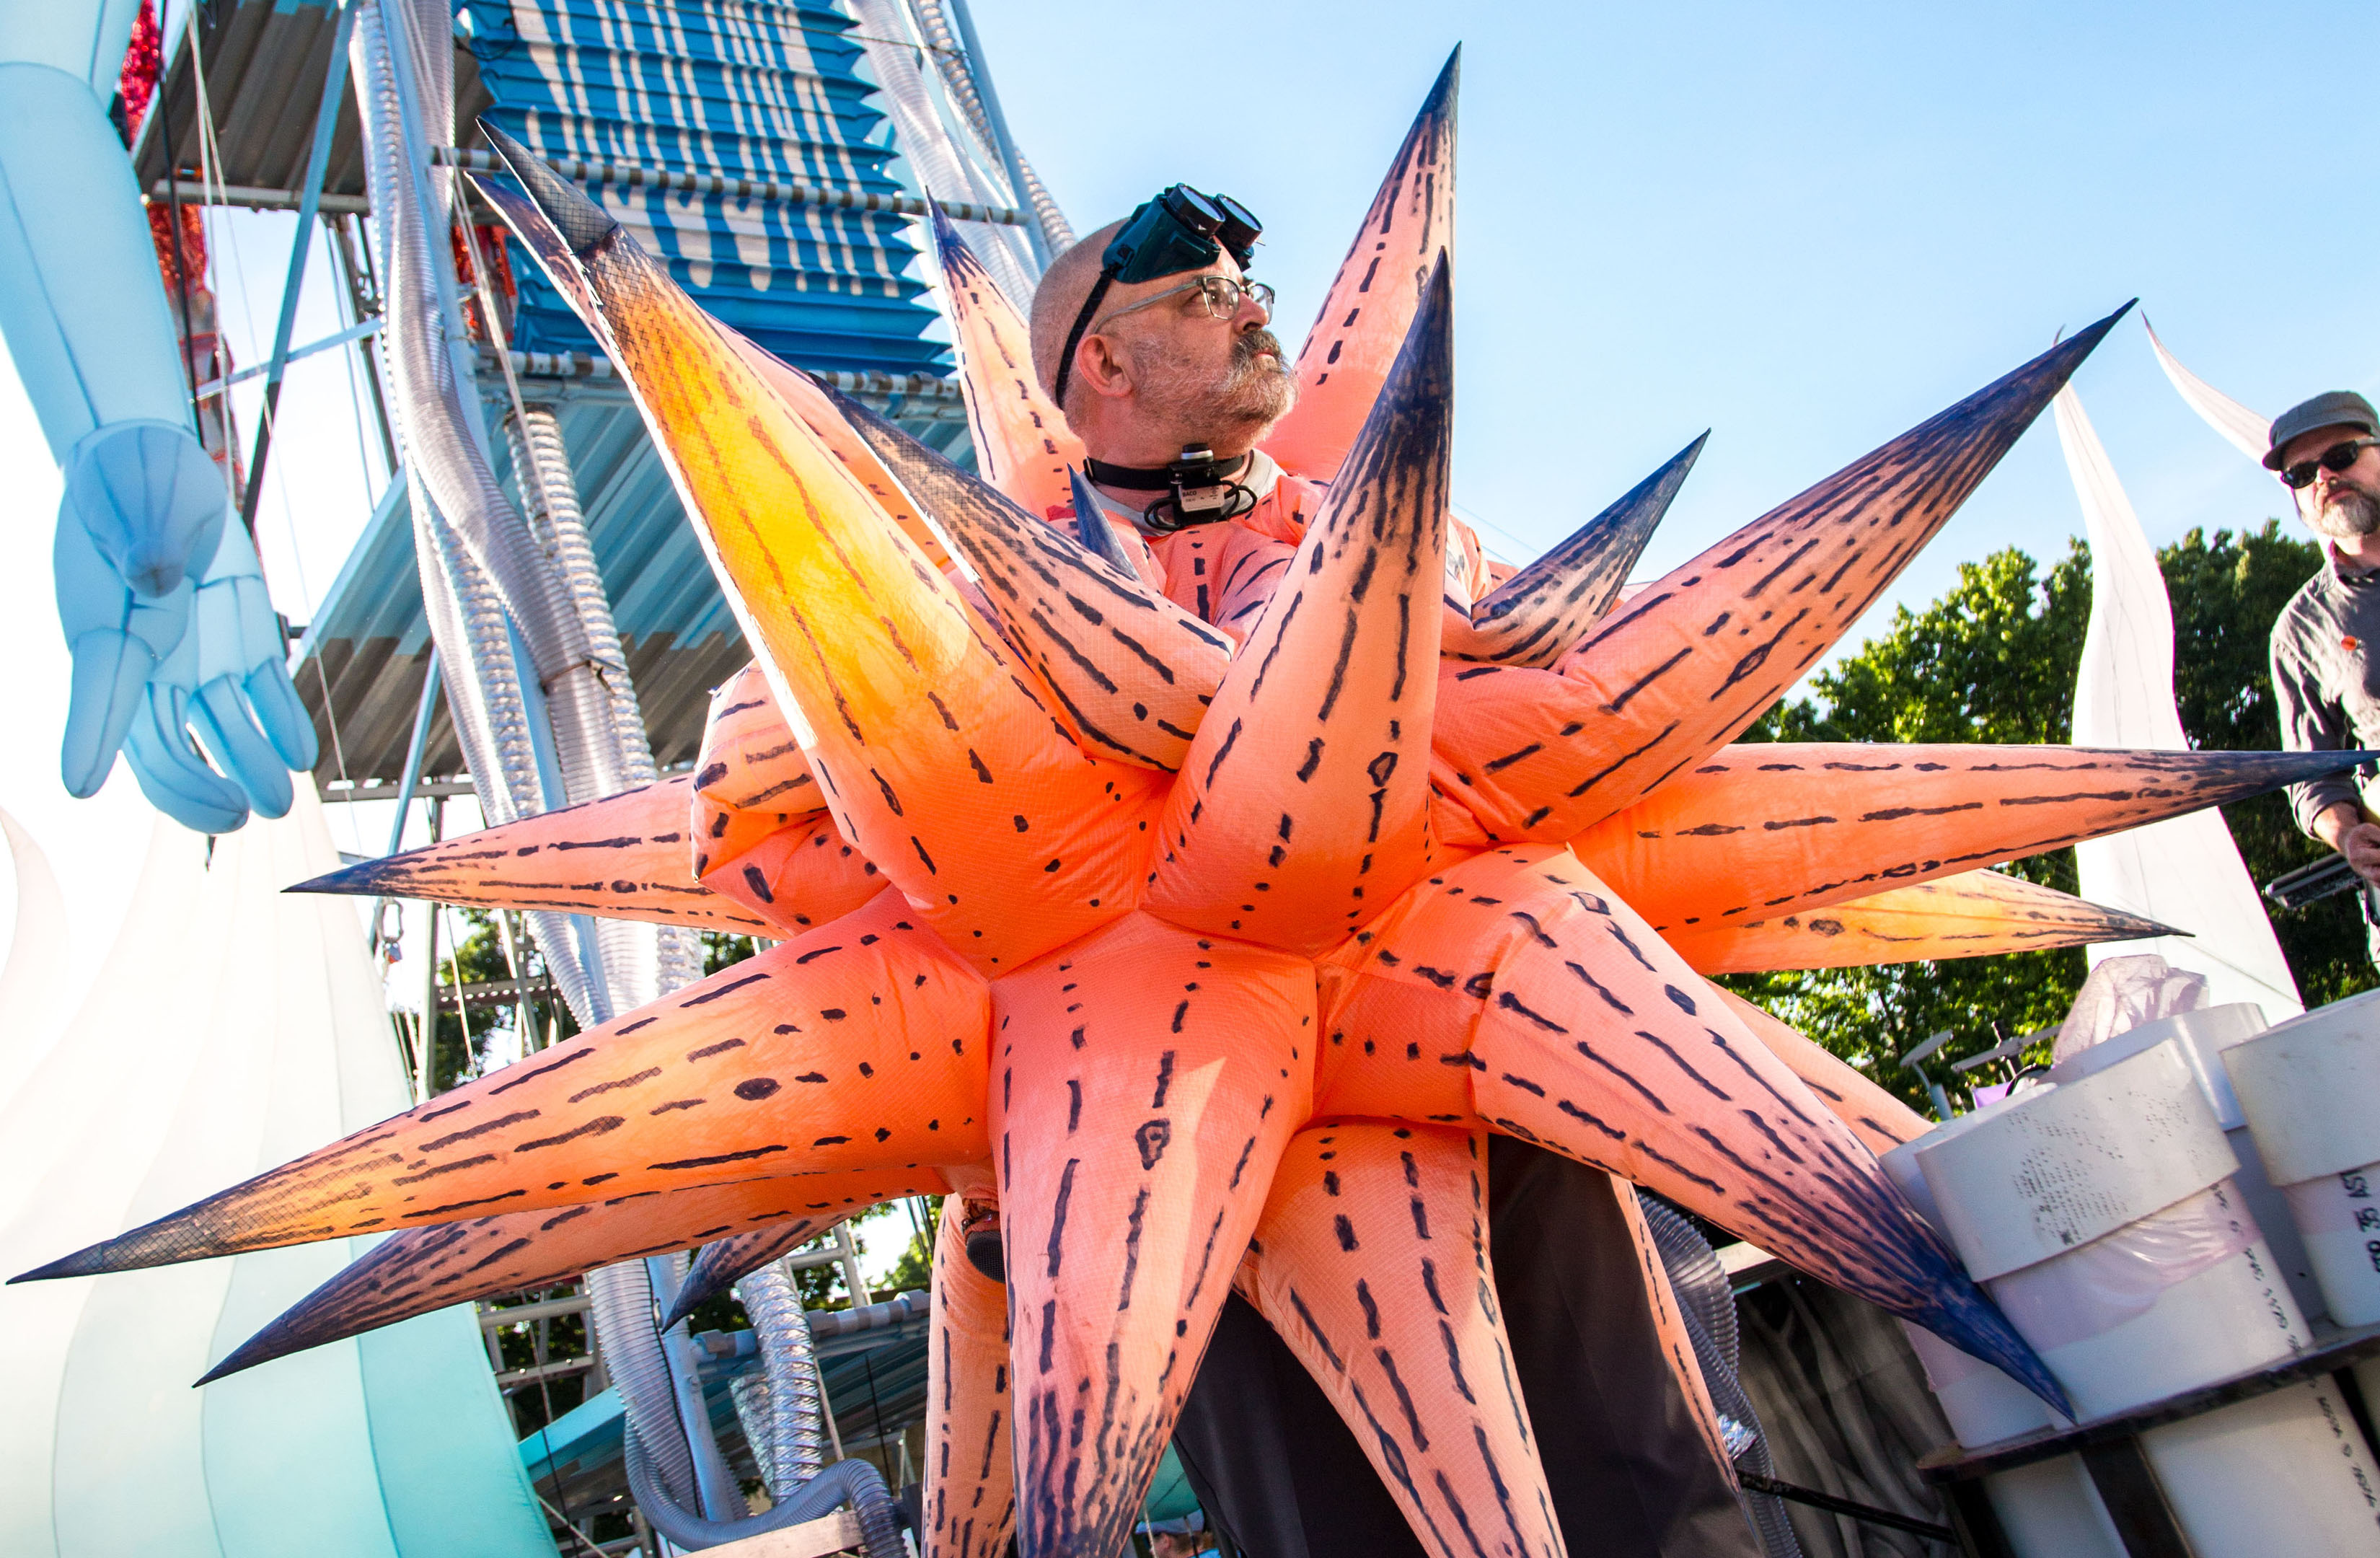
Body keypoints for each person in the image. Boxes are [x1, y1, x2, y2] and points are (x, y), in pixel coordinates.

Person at [1028, 198, 1763, 1558]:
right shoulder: (1004, 581)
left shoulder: (1401, 528)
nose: (1252, 308)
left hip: (1502, 1086)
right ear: (1105, 365)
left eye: (1250, 284)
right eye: (1203, 296)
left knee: (1647, 1500)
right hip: (1195, 1185)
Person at [2267, 390, 2380, 951]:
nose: (2324, 478)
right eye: (2301, 474)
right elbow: (2313, 778)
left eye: (2341, 456)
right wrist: (2349, 836)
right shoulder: (2298, 632)